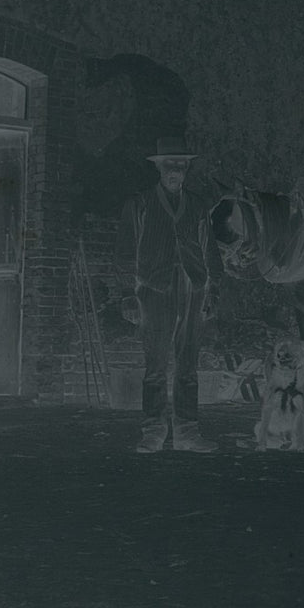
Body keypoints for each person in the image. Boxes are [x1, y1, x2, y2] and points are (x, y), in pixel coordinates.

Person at [115, 136, 223, 454]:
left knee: (188, 364)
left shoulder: (199, 205)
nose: (175, 170)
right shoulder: (140, 204)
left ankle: (188, 431)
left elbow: (211, 251)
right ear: (159, 168)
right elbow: (125, 251)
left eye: (180, 165)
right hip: (154, 290)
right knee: (156, 365)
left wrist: (213, 288)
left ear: (187, 168)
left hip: (194, 289)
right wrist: (127, 294)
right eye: (169, 165)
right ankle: (153, 431)